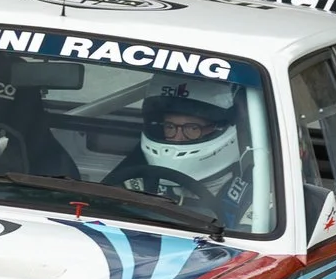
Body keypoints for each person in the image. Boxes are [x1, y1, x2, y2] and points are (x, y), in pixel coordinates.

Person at [106, 81, 256, 224]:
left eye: (192, 128)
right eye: (169, 127)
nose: (177, 139)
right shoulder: (135, 186)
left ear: (219, 129)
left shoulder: (252, 198)